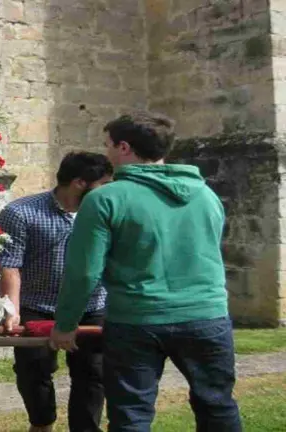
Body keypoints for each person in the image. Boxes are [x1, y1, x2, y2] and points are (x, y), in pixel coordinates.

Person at [50, 112, 242, 431]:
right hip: (207, 316)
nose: (107, 153)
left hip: (136, 320)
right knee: (217, 405)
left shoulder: (103, 198)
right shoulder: (206, 194)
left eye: (108, 145)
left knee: (131, 414)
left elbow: (84, 272)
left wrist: (66, 324)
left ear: (124, 148)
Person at [0, 151, 113, 432]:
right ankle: (41, 424)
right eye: (104, 185)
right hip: (37, 305)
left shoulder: (107, 211)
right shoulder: (21, 212)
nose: (109, 191)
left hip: (92, 305)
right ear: (79, 183)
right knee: (33, 371)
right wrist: (12, 311)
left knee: (93, 373)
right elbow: (10, 265)